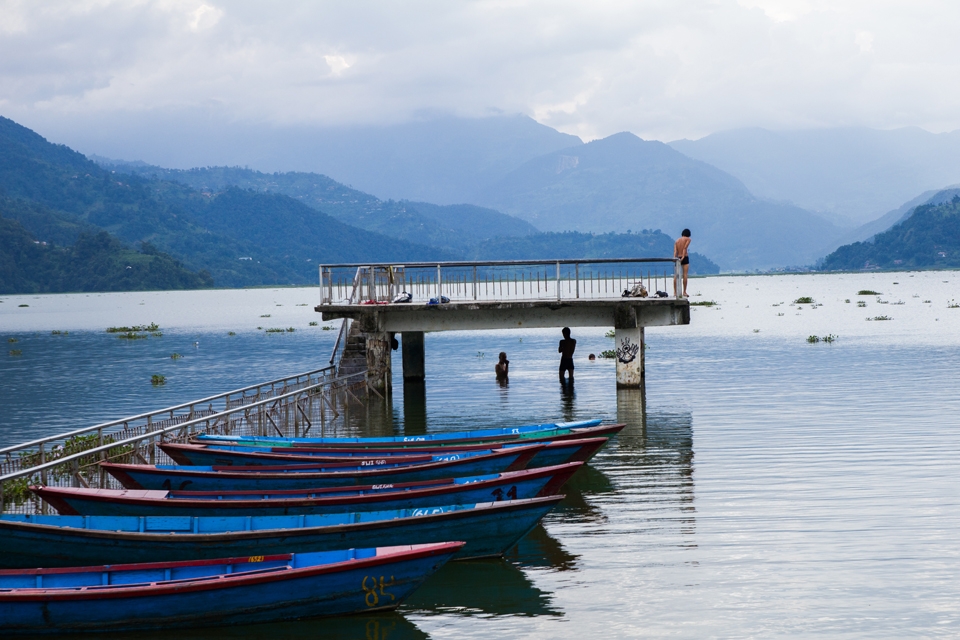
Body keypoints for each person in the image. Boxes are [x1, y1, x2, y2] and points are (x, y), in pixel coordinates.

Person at [674, 228, 691, 298]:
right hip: (685, 257)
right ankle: (684, 291)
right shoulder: (688, 239)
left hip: (678, 258)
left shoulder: (677, 241)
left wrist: (674, 258)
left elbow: (675, 251)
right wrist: (683, 257)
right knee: (685, 275)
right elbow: (685, 248)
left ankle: (675, 292)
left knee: (676, 275)